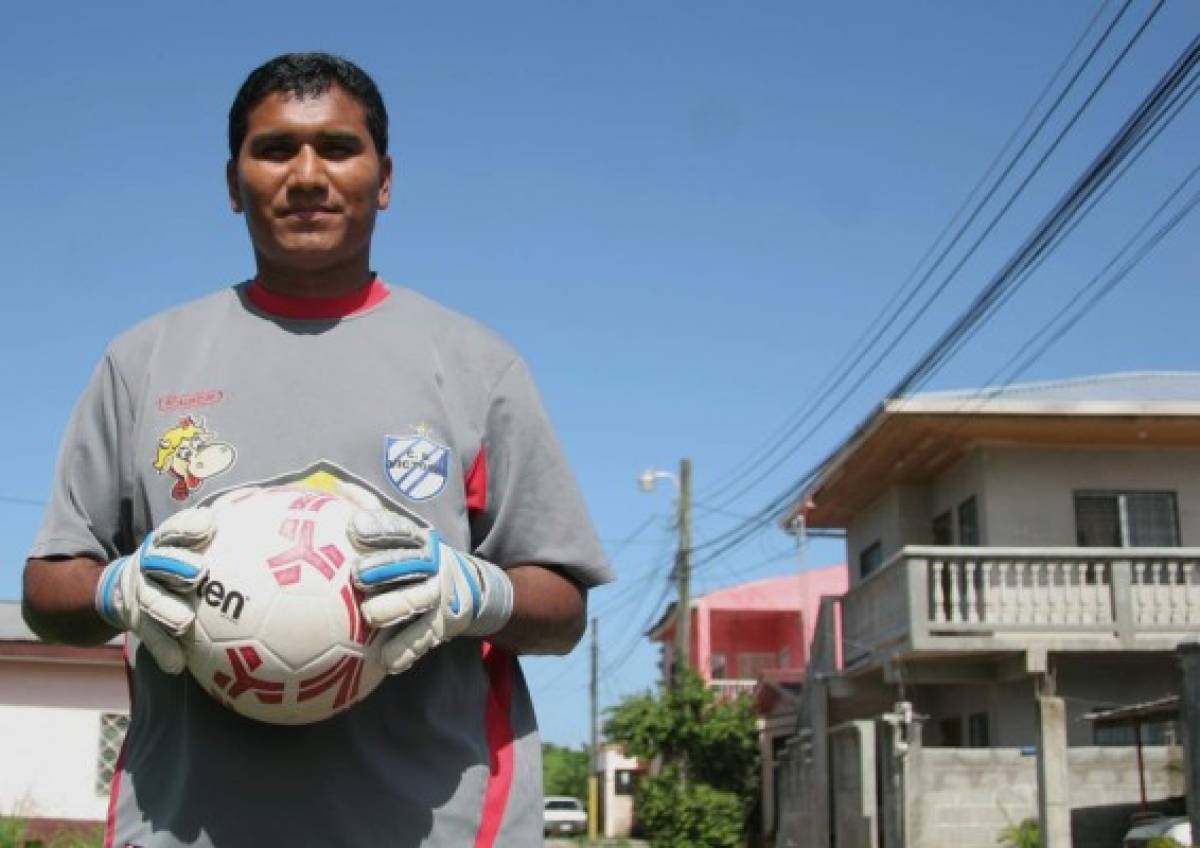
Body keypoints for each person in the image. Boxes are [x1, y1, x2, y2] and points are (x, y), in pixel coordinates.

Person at [22, 52, 611, 848]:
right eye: (273, 149)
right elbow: (48, 586)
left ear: (386, 177)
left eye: (337, 147)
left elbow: (563, 609)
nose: (307, 175)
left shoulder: (475, 366)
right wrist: (114, 592)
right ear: (233, 183)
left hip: (437, 829)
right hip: (184, 827)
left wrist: (478, 595)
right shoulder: (146, 361)